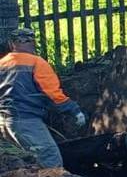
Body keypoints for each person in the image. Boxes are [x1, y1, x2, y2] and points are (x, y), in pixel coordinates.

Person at [0, 28, 85, 169]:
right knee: (50, 157)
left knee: (24, 162)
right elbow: (53, 93)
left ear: (11, 44)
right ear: (33, 42)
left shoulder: (2, 63)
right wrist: (74, 110)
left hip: (4, 121)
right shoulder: (36, 63)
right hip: (26, 121)